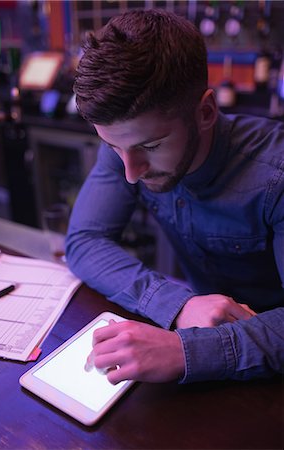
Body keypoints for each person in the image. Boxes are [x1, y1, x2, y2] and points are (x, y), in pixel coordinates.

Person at [66, 9, 284, 385]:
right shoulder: (126, 144)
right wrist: (177, 304)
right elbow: (85, 241)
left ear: (205, 112)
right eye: (114, 148)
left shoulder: (275, 175)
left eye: (151, 145)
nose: (131, 172)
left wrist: (185, 351)